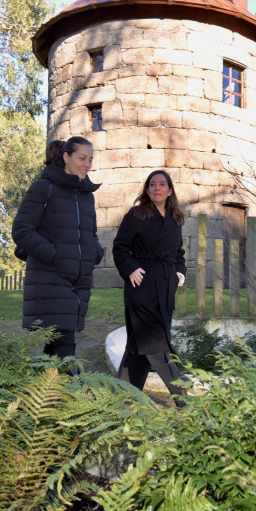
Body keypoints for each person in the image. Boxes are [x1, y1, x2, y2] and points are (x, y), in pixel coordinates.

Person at [12, 136, 104, 364]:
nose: (87, 164)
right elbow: (22, 230)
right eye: (82, 158)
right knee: (66, 349)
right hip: (51, 279)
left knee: (55, 349)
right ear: (66, 157)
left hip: (79, 282)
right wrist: (53, 255)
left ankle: (45, 394)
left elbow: (91, 233)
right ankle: (76, 394)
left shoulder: (87, 196)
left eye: (90, 159)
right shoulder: (44, 188)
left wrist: (95, 252)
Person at [113, 169, 188, 400]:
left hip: (165, 287)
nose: (157, 188)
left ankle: (123, 396)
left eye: (162, 184)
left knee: (139, 345)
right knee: (155, 342)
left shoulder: (175, 219)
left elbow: (178, 253)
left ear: (170, 190)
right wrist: (130, 269)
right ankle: (184, 396)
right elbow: (120, 247)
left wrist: (179, 273)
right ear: (147, 189)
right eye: (152, 184)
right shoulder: (136, 214)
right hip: (142, 284)